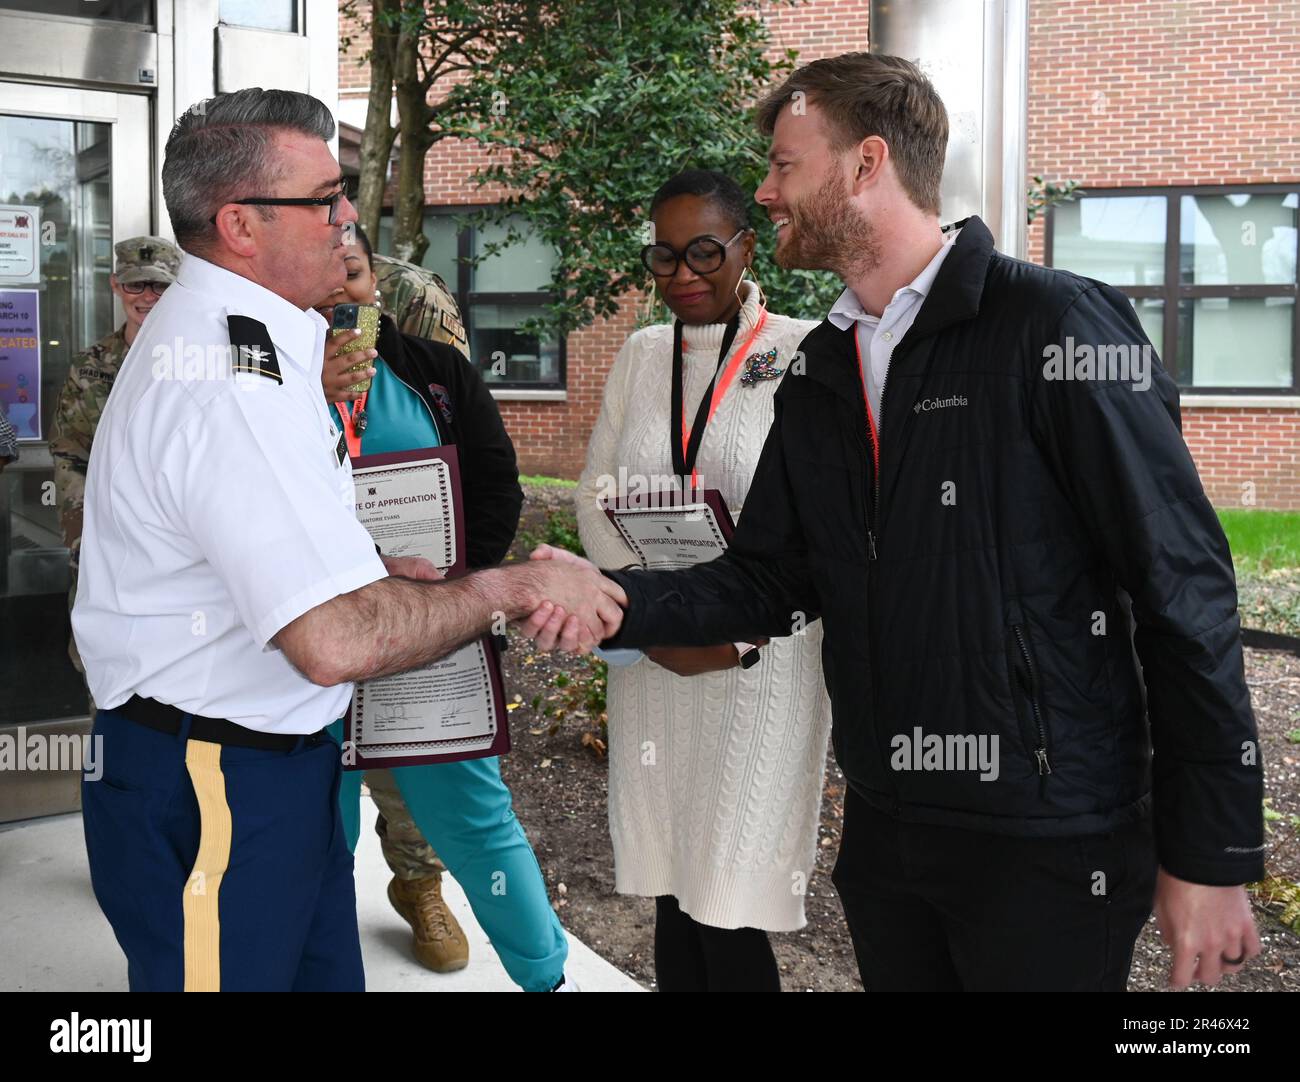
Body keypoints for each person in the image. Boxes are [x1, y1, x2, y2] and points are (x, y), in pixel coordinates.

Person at [528, 53, 1265, 992]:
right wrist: (612, 598)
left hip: (1048, 842)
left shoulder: (1054, 326)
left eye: (786, 165)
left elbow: (1183, 590)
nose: (765, 190)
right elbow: (770, 576)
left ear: (867, 162)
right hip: (888, 835)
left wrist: (1209, 851)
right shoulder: (826, 364)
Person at [72, 87, 623, 992]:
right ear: (240, 224)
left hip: (264, 777)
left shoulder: (260, 344)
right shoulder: (230, 377)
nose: (345, 221)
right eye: (323, 199)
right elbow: (331, 641)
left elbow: (251, 548)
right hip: (221, 785)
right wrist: (511, 588)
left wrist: (366, 571)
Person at [574, 169, 830, 992]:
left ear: (746, 248)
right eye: (663, 256)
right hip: (658, 657)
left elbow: (816, 530)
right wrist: (646, 620)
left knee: (730, 898)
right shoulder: (643, 356)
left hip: (756, 667)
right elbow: (595, 496)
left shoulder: (803, 352)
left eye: (704, 252)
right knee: (672, 894)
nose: (682, 273)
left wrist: (730, 638)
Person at [318, 225, 575, 991]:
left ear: (378, 282)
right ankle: (317, 967)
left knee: (477, 821)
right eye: (322, 276)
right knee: (309, 833)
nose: (339, 294)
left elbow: (497, 487)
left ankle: (544, 974)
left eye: (354, 274)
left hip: (431, 639)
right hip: (309, 650)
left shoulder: (436, 373)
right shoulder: (265, 387)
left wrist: (455, 593)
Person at [49, 236, 182, 696]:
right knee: (104, 673)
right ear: (114, 287)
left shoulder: (200, 361)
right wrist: (84, 542)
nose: (146, 298)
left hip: (178, 551)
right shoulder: (90, 367)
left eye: (159, 287)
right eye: (135, 286)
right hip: (107, 549)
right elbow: (70, 455)